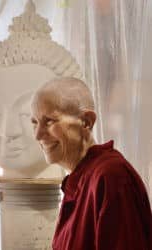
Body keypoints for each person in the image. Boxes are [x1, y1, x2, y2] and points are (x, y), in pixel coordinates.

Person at [30, 77, 152, 250]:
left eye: (49, 121)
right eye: (34, 122)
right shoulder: (80, 179)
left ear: (86, 122)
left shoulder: (111, 176)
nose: (37, 135)